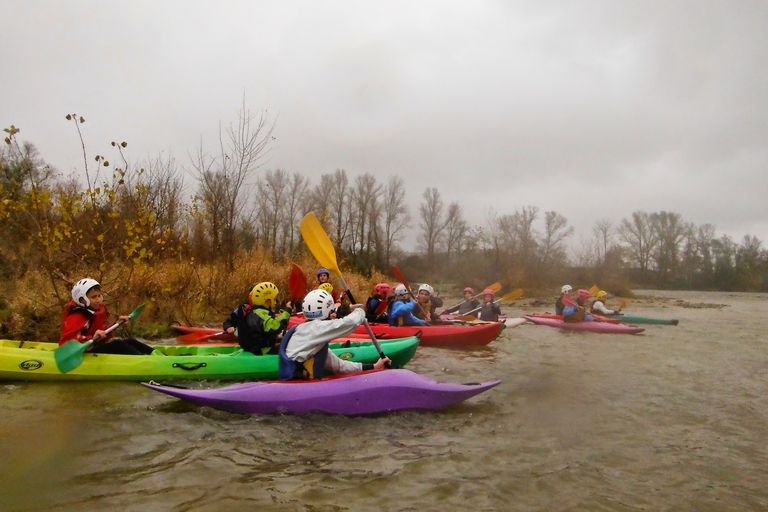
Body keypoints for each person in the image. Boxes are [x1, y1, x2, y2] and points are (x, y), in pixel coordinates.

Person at [278, 289, 390, 380]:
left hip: (301, 382)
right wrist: (360, 312)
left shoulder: (309, 334)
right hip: (296, 384)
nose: (334, 315)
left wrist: (374, 367)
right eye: (332, 312)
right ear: (325, 311)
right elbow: (347, 324)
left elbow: (339, 366)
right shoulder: (315, 329)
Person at [59, 278, 153, 355]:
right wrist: (90, 338)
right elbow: (68, 342)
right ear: (82, 299)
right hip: (82, 352)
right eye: (94, 297)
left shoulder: (94, 312)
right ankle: (144, 361)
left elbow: (101, 330)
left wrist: (116, 324)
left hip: (92, 347)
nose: (98, 300)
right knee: (117, 344)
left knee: (130, 341)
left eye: (99, 296)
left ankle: (155, 354)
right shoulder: (76, 316)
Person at [223, 282, 291, 355]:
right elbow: (229, 321)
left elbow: (267, 328)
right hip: (257, 348)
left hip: (256, 343)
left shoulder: (265, 309)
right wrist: (228, 327)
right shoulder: (244, 309)